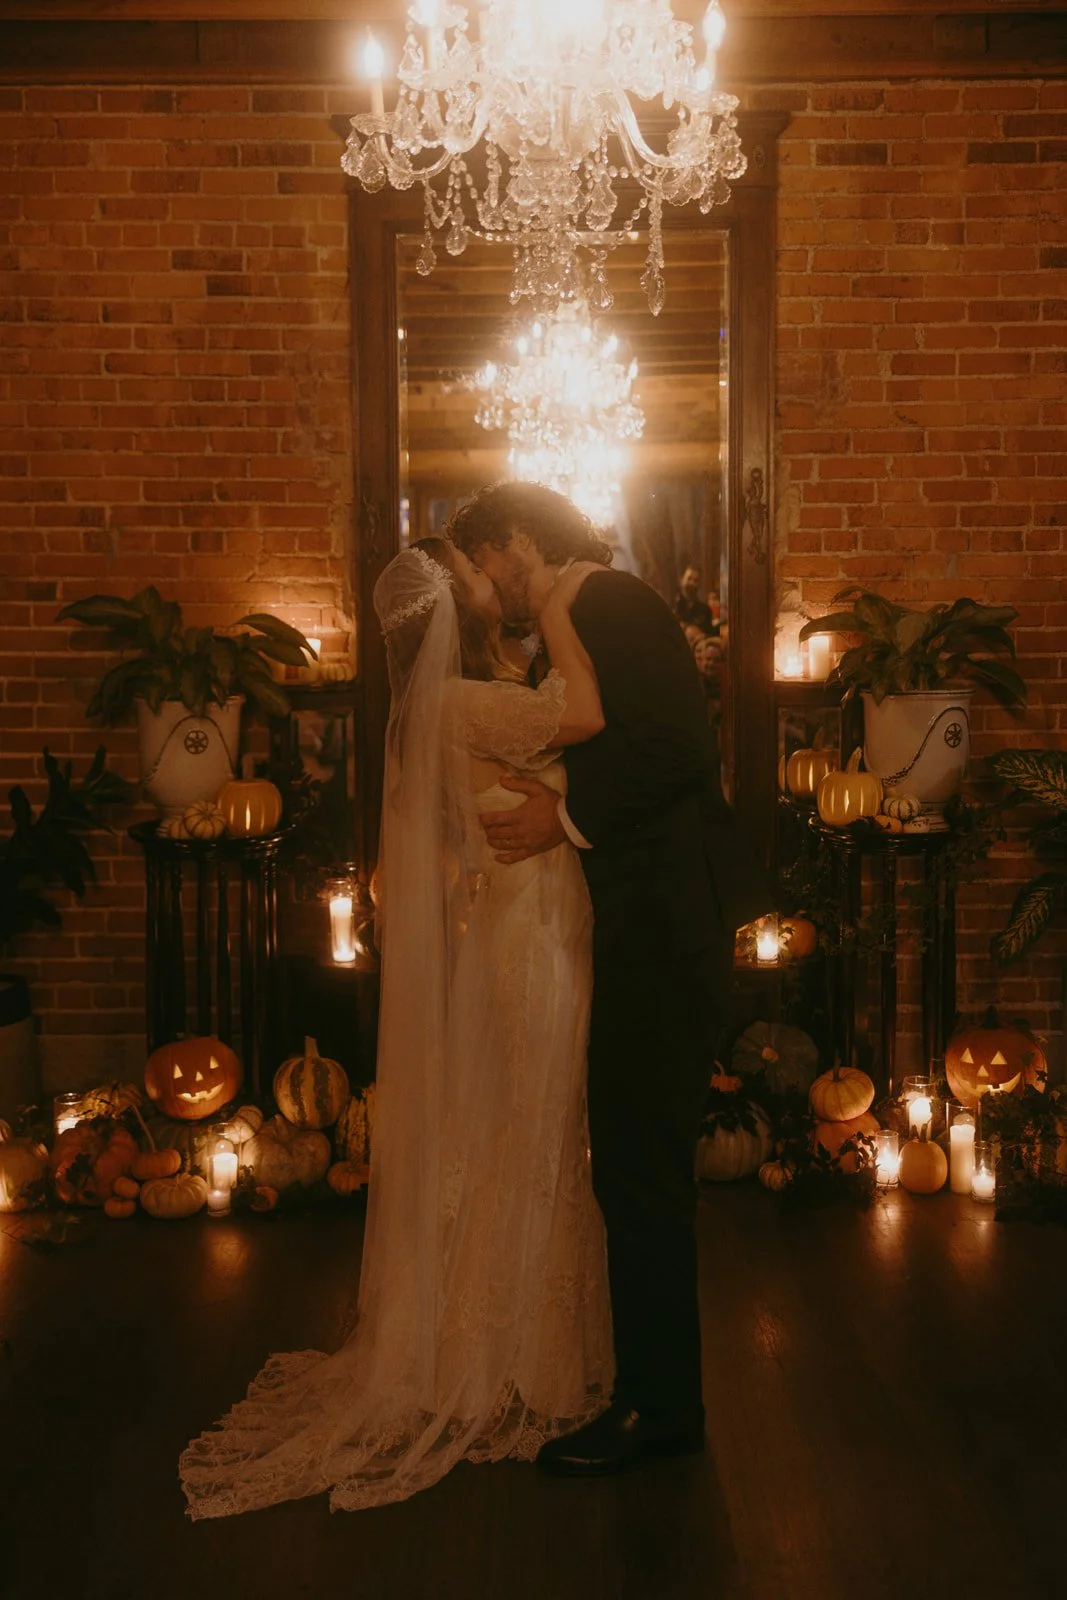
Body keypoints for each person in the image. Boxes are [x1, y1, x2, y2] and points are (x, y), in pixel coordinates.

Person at [180, 536, 614, 1516]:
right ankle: (515, 1368)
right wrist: (559, 598)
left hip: (536, 933)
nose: (490, 568)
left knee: (530, 1137)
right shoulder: (461, 702)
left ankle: (517, 1354)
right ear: (452, 609)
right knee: (533, 1135)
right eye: (473, 567)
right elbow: (578, 712)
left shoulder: (466, 694)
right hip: (531, 945)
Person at [449, 482, 772, 1477]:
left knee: (639, 1169)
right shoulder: (571, 619)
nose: (487, 584)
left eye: (483, 559)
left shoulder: (607, 601)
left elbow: (674, 747)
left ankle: (661, 1410)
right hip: (642, 927)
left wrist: (565, 818)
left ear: (514, 539)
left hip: (666, 928)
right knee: (631, 1163)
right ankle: (650, 1392)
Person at [674, 564, 718, 636]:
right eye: (689, 578)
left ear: (699, 584)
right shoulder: (672, 607)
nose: (692, 583)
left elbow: (709, 635)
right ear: (682, 580)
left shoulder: (705, 611)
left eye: (696, 580)